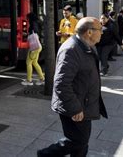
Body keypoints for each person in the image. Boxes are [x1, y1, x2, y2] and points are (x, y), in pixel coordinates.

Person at [38, 17, 108, 157]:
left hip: (85, 104)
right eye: (100, 30)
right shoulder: (71, 49)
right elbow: (61, 83)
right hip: (76, 106)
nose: (102, 32)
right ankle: (46, 154)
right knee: (78, 141)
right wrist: (75, 108)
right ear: (89, 32)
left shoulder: (87, 46)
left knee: (82, 143)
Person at [22, 12, 45, 86]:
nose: (27, 20)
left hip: (34, 48)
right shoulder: (38, 23)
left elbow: (33, 33)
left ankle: (29, 81)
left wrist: (28, 33)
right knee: (35, 63)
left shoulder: (33, 24)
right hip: (38, 47)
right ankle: (42, 79)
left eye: (28, 18)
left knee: (28, 63)